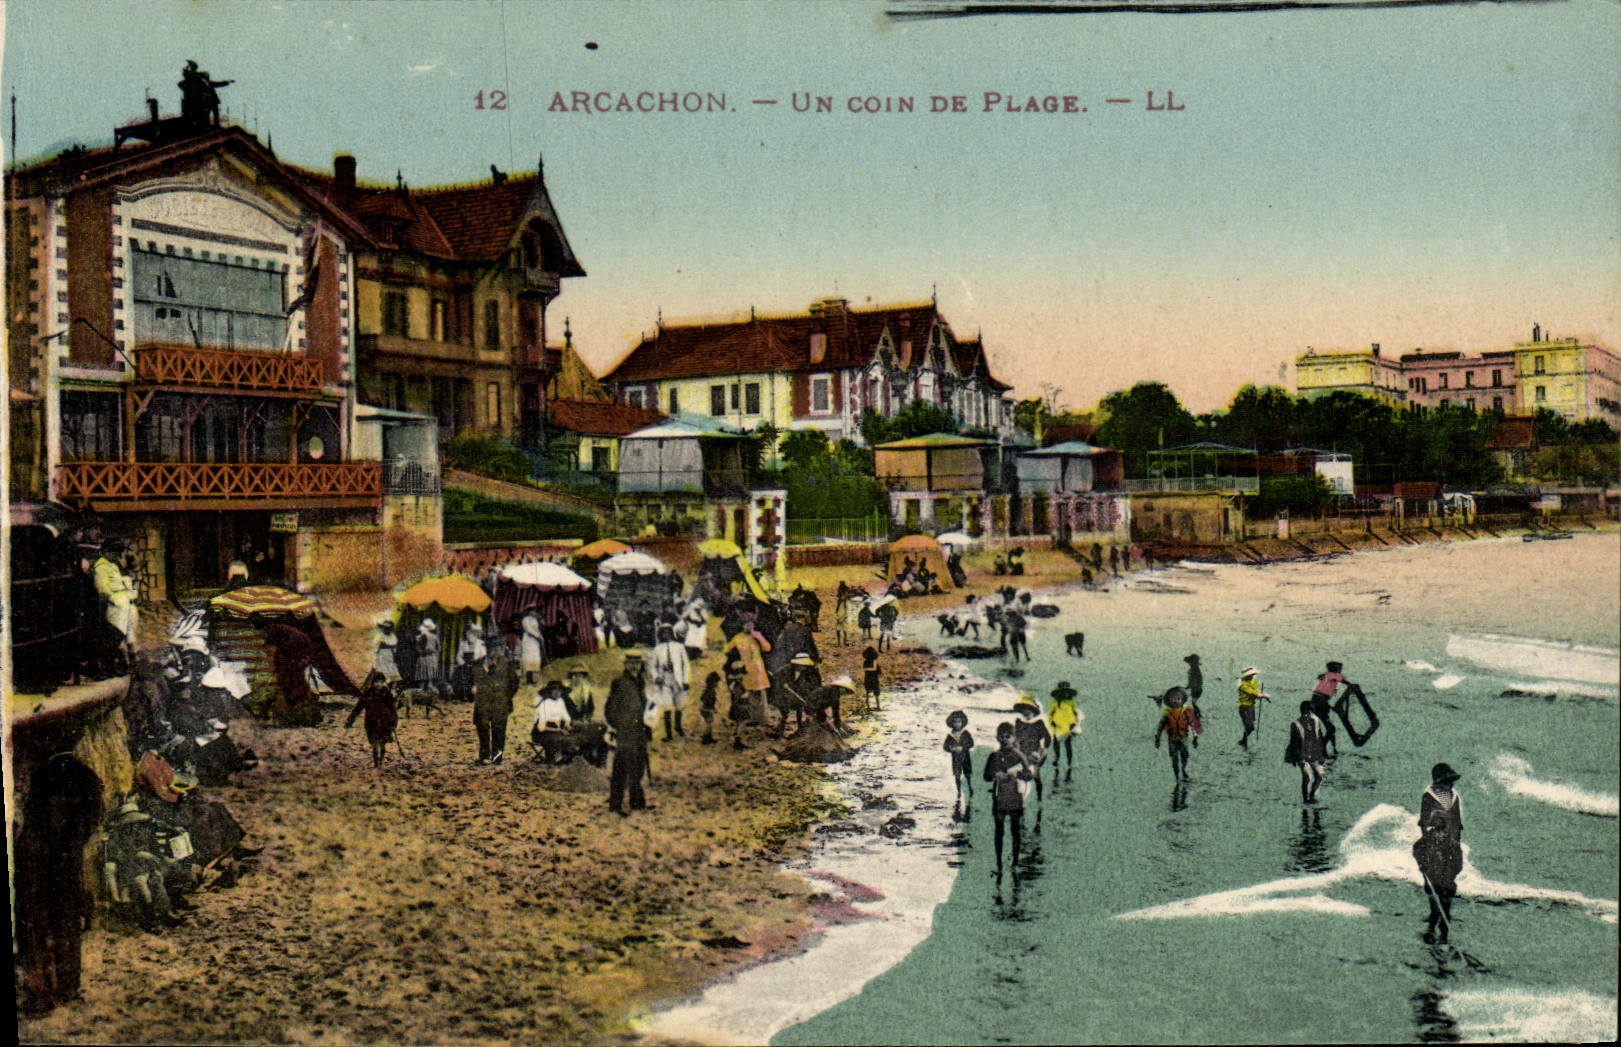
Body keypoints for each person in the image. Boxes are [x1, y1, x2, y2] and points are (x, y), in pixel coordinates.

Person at [1413, 762, 1465, 944]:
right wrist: (1430, 838)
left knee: (1448, 882)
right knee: (1433, 883)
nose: (1449, 785)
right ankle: (1435, 914)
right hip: (1433, 848)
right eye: (1446, 782)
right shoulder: (1429, 796)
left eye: (1450, 782)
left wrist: (1454, 840)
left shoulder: (1454, 797)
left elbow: (1458, 823)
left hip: (1450, 847)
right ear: (1438, 782)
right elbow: (1424, 823)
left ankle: (1444, 916)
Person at [983, 722, 1034, 876]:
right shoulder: (994, 756)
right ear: (997, 738)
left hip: (1015, 796)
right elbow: (986, 776)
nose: (1005, 739)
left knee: (1015, 830)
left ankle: (1015, 861)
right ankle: (999, 861)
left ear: (1013, 738)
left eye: (1008, 736)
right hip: (999, 797)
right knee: (999, 831)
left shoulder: (1019, 755)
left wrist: (1017, 774)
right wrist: (995, 775)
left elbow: (1029, 775)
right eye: (1002, 736)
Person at [606, 653, 652, 815]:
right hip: (626, 733)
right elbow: (610, 710)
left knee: (638, 767)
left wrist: (647, 726)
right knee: (622, 769)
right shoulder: (619, 683)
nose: (634, 666)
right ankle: (615, 805)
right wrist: (620, 726)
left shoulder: (639, 683)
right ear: (625, 665)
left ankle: (636, 802)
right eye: (631, 663)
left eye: (637, 663)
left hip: (639, 731)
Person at [723, 621, 772, 726]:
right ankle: (751, 718)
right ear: (743, 626)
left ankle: (762, 719)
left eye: (751, 625)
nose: (749, 627)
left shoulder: (757, 636)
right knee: (749, 693)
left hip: (758, 668)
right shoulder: (738, 637)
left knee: (760, 694)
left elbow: (767, 648)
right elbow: (726, 648)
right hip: (745, 668)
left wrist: (759, 637)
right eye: (746, 625)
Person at [472, 643, 514, 765]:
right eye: (490, 649)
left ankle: (497, 757)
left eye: (496, 649)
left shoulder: (505, 665)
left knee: (499, 730)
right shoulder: (477, 665)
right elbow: (469, 682)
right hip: (483, 704)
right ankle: (484, 756)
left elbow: (514, 683)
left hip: (500, 703)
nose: (493, 652)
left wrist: (506, 696)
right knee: (482, 728)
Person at [649, 625, 691, 741]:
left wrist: (686, 680)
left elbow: (686, 664)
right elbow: (653, 666)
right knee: (667, 706)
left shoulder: (679, 647)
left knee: (679, 704)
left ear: (672, 634)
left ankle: (678, 726)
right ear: (660, 635)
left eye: (668, 633)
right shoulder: (658, 649)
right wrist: (656, 677)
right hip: (665, 679)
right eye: (663, 633)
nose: (666, 635)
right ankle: (668, 734)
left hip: (678, 679)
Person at [1285, 700, 1327, 802]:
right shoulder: (1295, 724)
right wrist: (1294, 758)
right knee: (1307, 776)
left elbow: (1320, 739)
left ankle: (1312, 795)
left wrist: (1322, 755)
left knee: (1320, 774)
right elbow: (1293, 743)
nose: (1309, 715)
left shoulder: (1316, 722)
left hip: (1314, 754)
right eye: (1307, 712)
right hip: (1302, 755)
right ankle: (1305, 798)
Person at [1012, 696, 1052, 804]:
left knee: (1035, 775)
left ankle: (1039, 799)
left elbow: (1047, 738)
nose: (1025, 711)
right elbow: (1015, 737)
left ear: (1033, 710)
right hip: (1022, 752)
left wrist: (1043, 750)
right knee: (1019, 774)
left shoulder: (1039, 723)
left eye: (1027, 708)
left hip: (1034, 753)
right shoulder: (1018, 722)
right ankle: (1020, 797)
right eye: (1023, 708)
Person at [1154, 686, 1197, 782]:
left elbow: (1192, 724)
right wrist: (1157, 738)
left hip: (1183, 738)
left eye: (1178, 699)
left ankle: (1183, 769)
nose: (1175, 701)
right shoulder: (1167, 713)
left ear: (1182, 700)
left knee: (1185, 755)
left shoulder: (1187, 712)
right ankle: (1177, 774)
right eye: (1173, 699)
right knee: (1174, 758)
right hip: (1172, 739)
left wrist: (1195, 737)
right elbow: (1161, 726)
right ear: (1169, 701)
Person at [1311, 661, 1349, 756]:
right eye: (1340, 669)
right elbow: (1345, 681)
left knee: (1330, 727)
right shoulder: (1336, 676)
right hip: (1321, 701)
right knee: (1331, 728)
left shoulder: (1326, 675)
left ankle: (1333, 749)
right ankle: (1323, 747)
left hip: (1316, 700)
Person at [1047, 681, 1082, 783]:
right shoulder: (1055, 702)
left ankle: (1069, 761)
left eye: (1067, 692)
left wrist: (1075, 723)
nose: (1065, 694)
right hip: (1057, 725)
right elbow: (1050, 714)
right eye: (1063, 692)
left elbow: (1076, 713)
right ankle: (1056, 759)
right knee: (1056, 743)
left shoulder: (1071, 702)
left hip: (1068, 726)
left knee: (1068, 744)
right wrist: (1051, 722)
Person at [943, 709, 975, 804]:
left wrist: (963, 748)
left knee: (967, 773)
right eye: (955, 722)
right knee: (957, 774)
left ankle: (969, 787)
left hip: (965, 756)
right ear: (951, 723)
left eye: (959, 721)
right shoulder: (950, 735)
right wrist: (951, 749)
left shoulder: (966, 734)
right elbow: (945, 746)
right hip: (955, 758)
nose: (957, 724)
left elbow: (971, 743)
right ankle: (959, 791)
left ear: (963, 722)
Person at [1237, 666, 1270, 750]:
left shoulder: (1253, 681)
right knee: (1249, 726)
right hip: (1244, 707)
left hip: (1251, 706)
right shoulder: (1242, 685)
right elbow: (1254, 694)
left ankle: (1244, 741)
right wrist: (1264, 696)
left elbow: (1256, 692)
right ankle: (1244, 741)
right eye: (1252, 675)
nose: (1253, 676)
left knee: (1251, 727)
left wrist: (1262, 695)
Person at [416, 618, 442, 695]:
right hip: (430, 657)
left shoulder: (419, 637)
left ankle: (422, 694)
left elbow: (417, 648)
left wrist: (422, 651)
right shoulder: (434, 637)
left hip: (424, 657)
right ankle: (427, 695)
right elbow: (439, 648)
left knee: (423, 679)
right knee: (429, 679)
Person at [518, 611, 545, 685]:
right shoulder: (525, 619)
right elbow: (528, 629)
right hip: (528, 640)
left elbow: (539, 628)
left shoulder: (535, 619)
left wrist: (540, 619)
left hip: (535, 642)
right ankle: (528, 679)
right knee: (528, 659)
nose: (534, 612)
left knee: (534, 658)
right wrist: (537, 636)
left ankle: (533, 678)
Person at [371, 620, 401, 687]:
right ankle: (383, 686)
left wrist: (395, 654)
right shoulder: (380, 636)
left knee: (393, 671)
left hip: (390, 654)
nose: (386, 629)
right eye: (385, 628)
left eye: (388, 628)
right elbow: (375, 646)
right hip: (382, 655)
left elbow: (394, 646)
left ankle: (393, 688)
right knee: (383, 671)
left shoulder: (392, 636)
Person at [697, 672, 721, 744]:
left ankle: (708, 737)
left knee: (709, 723)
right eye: (716, 683)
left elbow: (702, 699)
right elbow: (708, 701)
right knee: (708, 724)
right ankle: (706, 738)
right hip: (706, 709)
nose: (717, 684)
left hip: (706, 709)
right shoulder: (710, 692)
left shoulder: (708, 690)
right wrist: (712, 708)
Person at [862, 645, 882, 712]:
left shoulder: (865, 662)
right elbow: (879, 672)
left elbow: (864, 670)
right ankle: (878, 706)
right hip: (874, 680)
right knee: (876, 694)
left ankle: (868, 706)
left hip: (867, 679)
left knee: (867, 693)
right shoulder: (875, 663)